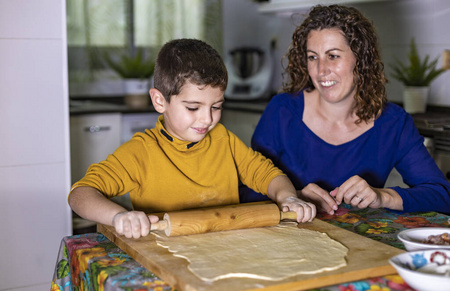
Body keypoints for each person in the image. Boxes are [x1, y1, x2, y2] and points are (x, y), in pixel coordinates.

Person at [69, 38, 316, 239]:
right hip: (165, 258)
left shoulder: (223, 140)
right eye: (193, 107)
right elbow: (80, 194)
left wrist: (288, 196)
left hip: (226, 249)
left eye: (216, 106)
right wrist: (118, 216)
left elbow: (267, 174)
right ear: (159, 101)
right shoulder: (141, 153)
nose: (206, 120)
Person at [240, 5, 450, 215]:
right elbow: (245, 191)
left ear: (360, 59)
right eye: (313, 57)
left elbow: (441, 195)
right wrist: (292, 195)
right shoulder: (281, 111)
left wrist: (382, 196)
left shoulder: (393, 123)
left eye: (333, 56)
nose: (321, 70)